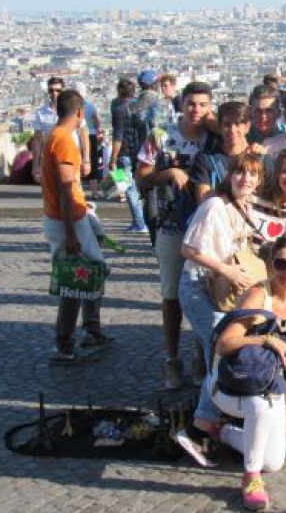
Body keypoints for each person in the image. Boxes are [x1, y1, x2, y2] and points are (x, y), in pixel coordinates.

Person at [207, 239, 286, 511]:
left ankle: (224, 432)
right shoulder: (258, 296)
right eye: (281, 263)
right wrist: (265, 340)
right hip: (230, 383)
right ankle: (250, 478)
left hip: (269, 384)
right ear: (270, 267)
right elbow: (224, 345)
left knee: (273, 462)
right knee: (259, 408)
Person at [177, 152, 265, 449]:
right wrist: (226, 269)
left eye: (252, 174)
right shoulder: (214, 206)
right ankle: (202, 423)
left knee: (214, 353)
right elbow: (188, 249)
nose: (245, 179)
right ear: (229, 175)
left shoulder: (246, 207)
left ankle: (214, 417)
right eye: (240, 173)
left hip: (224, 292)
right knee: (221, 349)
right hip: (199, 287)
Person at [135, 82, 216, 389]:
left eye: (202, 105)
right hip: (171, 224)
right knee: (171, 295)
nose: (195, 110)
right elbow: (141, 180)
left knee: (205, 294)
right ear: (180, 105)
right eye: (191, 104)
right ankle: (172, 359)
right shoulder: (161, 136)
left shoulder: (214, 138)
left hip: (204, 227)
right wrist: (167, 174)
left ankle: (200, 354)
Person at [41, 90, 112, 361]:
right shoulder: (65, 141)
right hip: (66, 221)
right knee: (77, 279)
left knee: (92, 271)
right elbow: (66, 188)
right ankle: (65, 340)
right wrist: (72, 232)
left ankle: (89, 329)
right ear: (80, 113)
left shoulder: (54, 136)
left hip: (68, 217)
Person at [109, 77, 149, 233]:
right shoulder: (141, 108)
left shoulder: (118, 109)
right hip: (140, 153)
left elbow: (117, 136)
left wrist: (112, 158)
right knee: (138, 188)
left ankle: (139, 223)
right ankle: (139, 221)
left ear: (119, 91)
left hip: (123, 154)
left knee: (127, 187)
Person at [191, 101, 252, 204]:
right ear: (220, 127)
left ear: (247, 127)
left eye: (237, 124)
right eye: (227, 124)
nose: (232, 130)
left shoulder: (258, 158)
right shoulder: (205, 159)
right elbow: (202, 200)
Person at [247, 84, 283, 150]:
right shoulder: (242, 140)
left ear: (278, 114)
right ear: (251, 113)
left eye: (269, 111)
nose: (263, 116)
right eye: (258, 111)